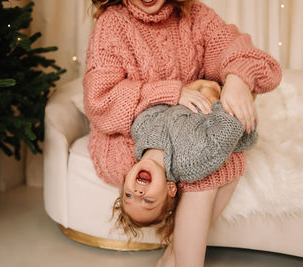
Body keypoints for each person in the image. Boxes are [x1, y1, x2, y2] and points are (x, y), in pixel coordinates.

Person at [83, 0, 282, 266]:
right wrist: (171, 92)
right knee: (203, 166)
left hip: (186, 123)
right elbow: (100, 100)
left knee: (227, 159)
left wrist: (237, 79)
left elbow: (250, 58)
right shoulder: (112, 22)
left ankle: (177, 252)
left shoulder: (195, 15)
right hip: (130, 136)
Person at [113, 81, 257, 243]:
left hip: (190, 96)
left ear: (126, 179)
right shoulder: (189, 162)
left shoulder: (140, 131)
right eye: (148, 201)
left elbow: (152, 105)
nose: (138, 193)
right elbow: (228, 130)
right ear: (170, 188)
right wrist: (212, 97)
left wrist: (189, 90)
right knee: (238, 103)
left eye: (128, 195)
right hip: (220, 114)